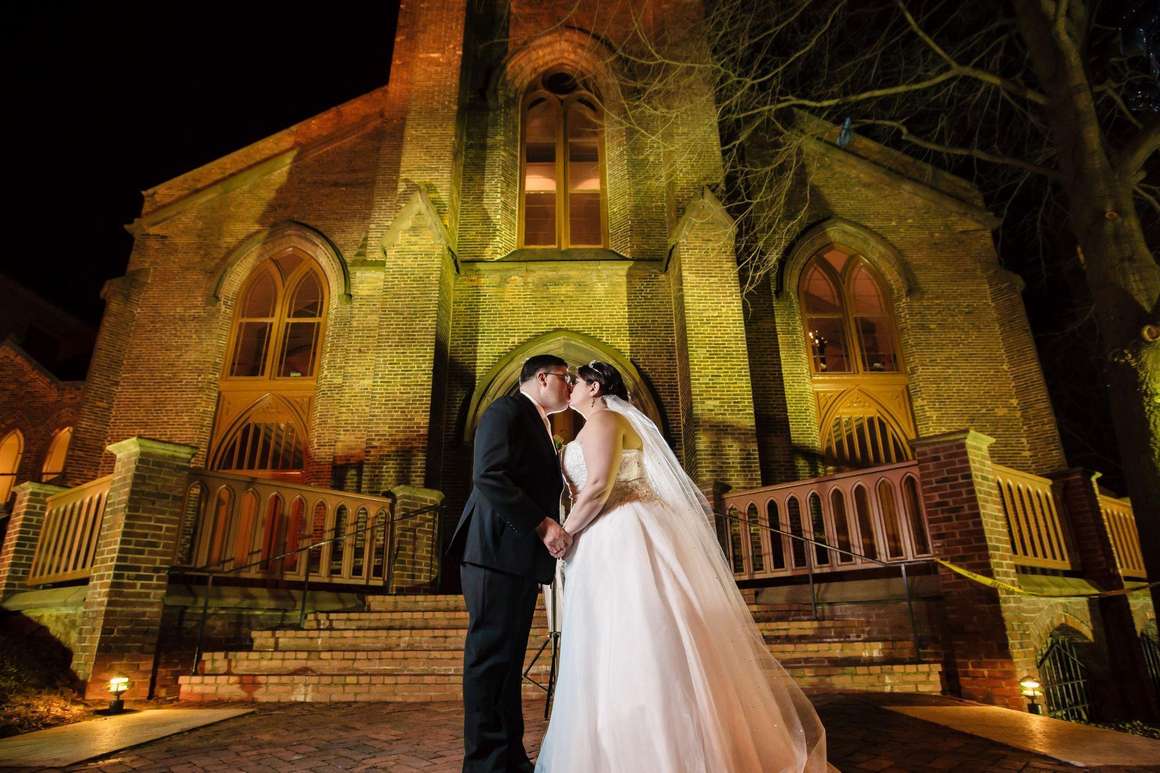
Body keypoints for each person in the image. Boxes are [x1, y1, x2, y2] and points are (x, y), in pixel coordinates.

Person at [534, 361, 827, 772]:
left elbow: (599, 486)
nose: (572, 389)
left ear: (595, 388)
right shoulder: (597, 423)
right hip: (610, 533)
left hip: (621, 534)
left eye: (577, 383)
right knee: (617, 638)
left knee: (635, 637)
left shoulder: (603, 421)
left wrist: (564, 533)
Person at [448, 354, 574, 773]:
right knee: (490, 660)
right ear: (542, 378)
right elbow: (489, 475)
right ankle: (484, 763)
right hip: (493, 553)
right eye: (565, 377)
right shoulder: (505, 410)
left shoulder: (538, 420)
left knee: (508, 662)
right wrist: (542, 525)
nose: (570, 384)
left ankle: (509, 756)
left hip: (515, 559)